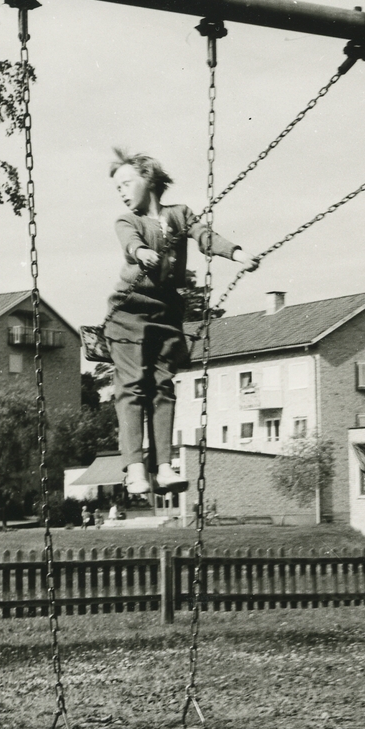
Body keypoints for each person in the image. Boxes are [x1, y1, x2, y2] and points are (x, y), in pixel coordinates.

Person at [105, 150, 257, 496]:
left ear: (149, 178)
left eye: (126, 183)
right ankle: (135, 468)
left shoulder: (180, 214)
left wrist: (237, 253)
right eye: (118, 188)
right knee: (132, 387)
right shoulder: (128, 221)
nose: (122, 192)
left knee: (162, 387)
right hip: (129, 312)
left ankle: (163, 466)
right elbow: (130, 244)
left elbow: (205, 236)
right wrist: (141, 252)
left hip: (166, 314)